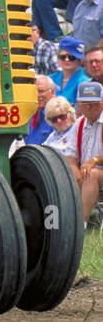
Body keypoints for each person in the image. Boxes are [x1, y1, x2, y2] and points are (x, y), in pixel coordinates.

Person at [62, 81, 103, 225]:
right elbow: (70, 154)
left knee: (91, 174)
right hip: (86, 170)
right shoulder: (79, 123)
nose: (89, 107)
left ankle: (80, 224)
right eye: (85, 103)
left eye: (93, 103)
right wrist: (73, 168)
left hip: (97, 171)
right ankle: (57, 223)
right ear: (78, 104)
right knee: (67, 174)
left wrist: (95, 160)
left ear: (102, 102)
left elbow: (92, 164)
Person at [51, 36, 89, 103]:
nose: (66, 59)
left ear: (79, 60)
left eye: (71, 57)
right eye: (62, 57)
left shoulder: (85, 83)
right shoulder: (50, 79)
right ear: (58, 58)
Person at [23, 75, 56, 146]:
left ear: (52, 92)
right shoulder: (28, 114)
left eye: (41, 91)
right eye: (34, 91)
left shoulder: (58, 115)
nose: (37, 95)